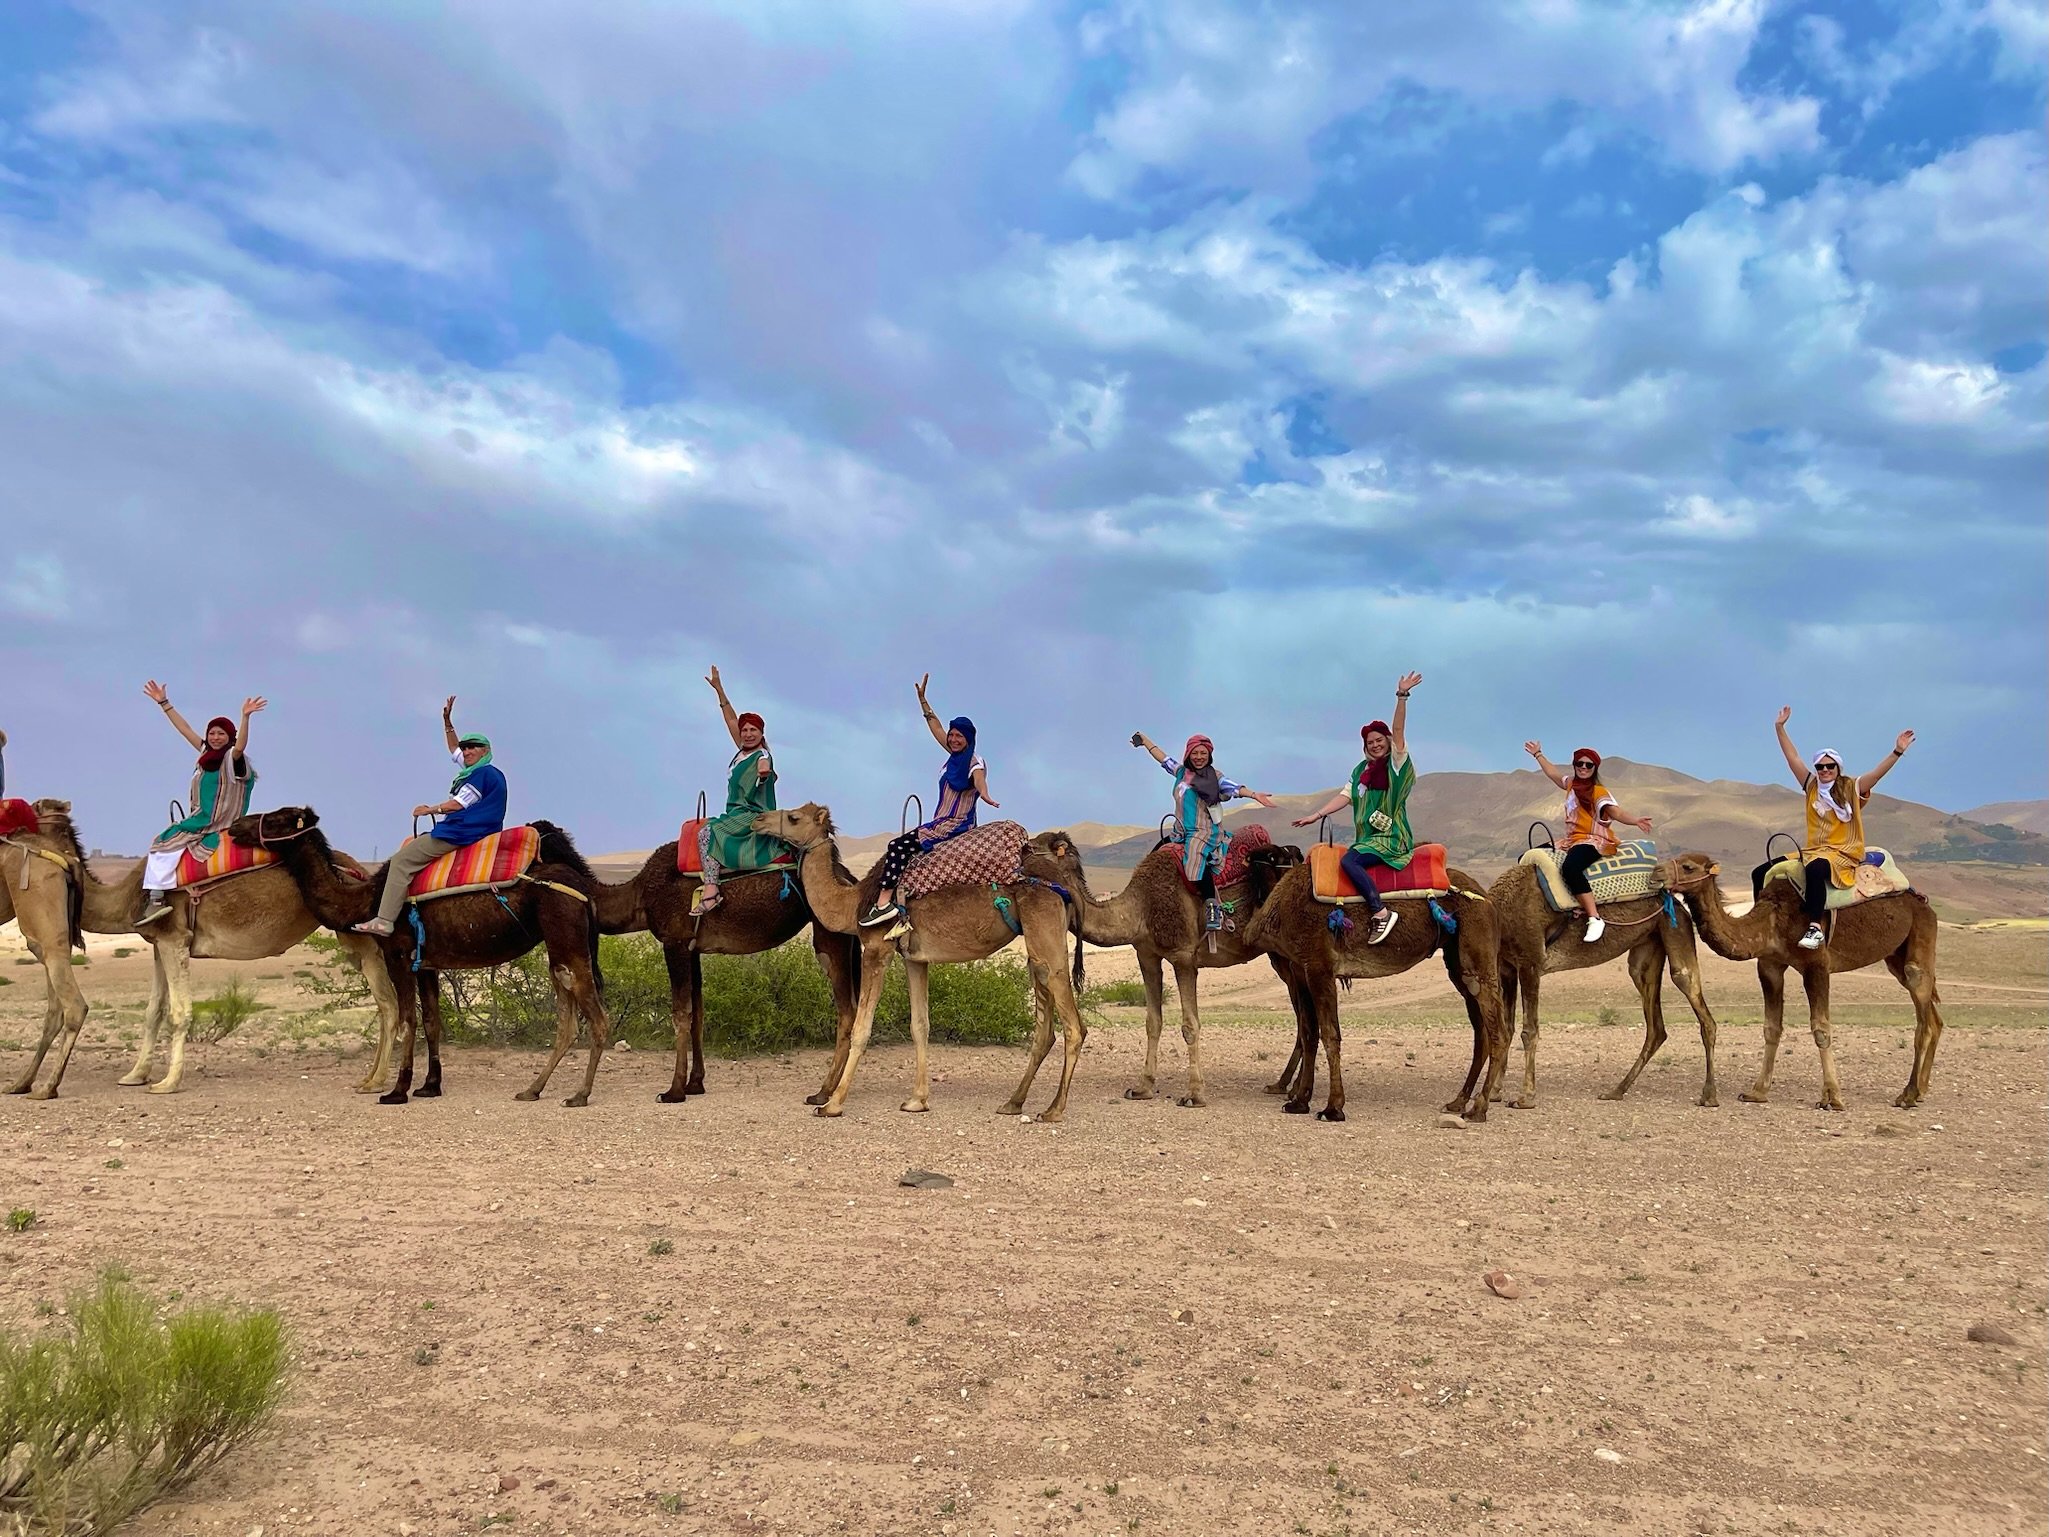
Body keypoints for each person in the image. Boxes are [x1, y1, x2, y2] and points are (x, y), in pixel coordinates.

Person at [1755, 707, 1914, 951]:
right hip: (1814, 849)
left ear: (1838, 768)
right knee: (1760, 871)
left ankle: (1815, 927)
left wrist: (1897, 752)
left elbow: (1875, 775)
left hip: (1842, 851)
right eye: (1820, 767)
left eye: (1830, 766)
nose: (1825, 770)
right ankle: (1759, 923)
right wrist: (1779, 728)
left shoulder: (1851, 788)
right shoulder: (1811, 786)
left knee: (1816, 870)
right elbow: (1793, 758)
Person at [355, 697, 505, 935]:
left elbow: (458, 805)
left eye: (472, 747)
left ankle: (384, 920)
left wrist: (430, 810)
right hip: (475, 830)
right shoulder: (480, 771)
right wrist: (448, 723)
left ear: (485, 751)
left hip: (462, 832)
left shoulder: (482, 775)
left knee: (401, 862)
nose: (465, 751)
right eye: (465, 747)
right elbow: (454, 750)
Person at [1293, 672, 1424, 944]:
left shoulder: (1396, 766)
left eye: (1379, 740)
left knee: (1348, 861)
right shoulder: (1361, 771)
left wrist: (1402, 696)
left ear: (1387, 741)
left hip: (1390, 838)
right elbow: (1345, 796)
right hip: (1367, 839)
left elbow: (1399, 730)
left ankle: (1381, 912)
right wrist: (1316, 815)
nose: (1375, 745)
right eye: (1370, 743)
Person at [862, 675, 1000, 928]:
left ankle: (883, 905)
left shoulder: (973, 762)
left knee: (897, 846)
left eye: (960, 736)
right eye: (953, 735)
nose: (954, 739)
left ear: (969, 739)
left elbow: (979, 779)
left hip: (954, 825)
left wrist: (986, 794)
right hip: (940, 822)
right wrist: (924, 702)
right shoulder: (954, 757)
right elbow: (936, 727)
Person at [138, 683, 266, 924]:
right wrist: (164, 703)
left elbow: (240, 747)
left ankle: (155, 899)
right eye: (212, 733)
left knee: (161, 843)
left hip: (212, 822)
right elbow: (184, 729)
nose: (215, 738)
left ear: (229, 737)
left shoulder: (232, 759)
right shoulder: (206, 755)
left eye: (221, 734)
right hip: (201, 816)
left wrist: (245, 717)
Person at [1131, 729, 1278, 932]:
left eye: (1203, 753)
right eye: (1195, 753)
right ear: (1188, 754)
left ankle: (1213, 909)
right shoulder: (1182, 772)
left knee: (1194, 864)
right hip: (1181, 831)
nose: (1199, 757)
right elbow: (1163, 759)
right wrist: (1145, 741)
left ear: (1209, 755)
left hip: (1204, 831)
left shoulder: (1215, 778)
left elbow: (1233, 788)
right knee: (1155, 856)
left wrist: (1253, 794)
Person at [1522, 739, 1654, 942]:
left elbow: (1615, 811)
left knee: (1571, 868)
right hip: (1571, 839)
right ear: (1575, 766)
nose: (1583, 768)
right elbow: (1554, 774)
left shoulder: (1598, 792)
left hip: (1594, 839)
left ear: (1594, 768)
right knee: (1527, 857)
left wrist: (1635, 820)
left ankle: (1594, 917)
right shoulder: (1571, 785)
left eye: (1588, 765)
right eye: (1579, 764)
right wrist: (1538, 754)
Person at [691, 666, 785, 916]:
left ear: (761, 734)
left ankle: (711, 891)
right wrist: (719, 690)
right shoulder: (741, 751)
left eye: (753, 730)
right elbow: (731, 719)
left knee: (705, 834)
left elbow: (765, 767)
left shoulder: (762, 755)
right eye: (745, 730)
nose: (747, 733)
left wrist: (764, 772)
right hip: (734, 813)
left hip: (751, 814)